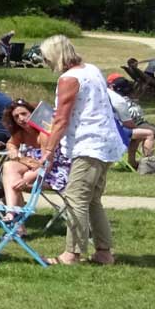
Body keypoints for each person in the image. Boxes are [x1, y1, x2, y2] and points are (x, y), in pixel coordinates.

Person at [38, 35, 124, 265]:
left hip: (89, 144)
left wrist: (48, 150)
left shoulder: (69, 79)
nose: (46, 63)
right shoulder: (92, 70)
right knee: (93, 199)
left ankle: (72, 253)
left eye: (47, 58)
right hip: (105, 143)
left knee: (75, 197)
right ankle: (104, 252)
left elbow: (61, 120)